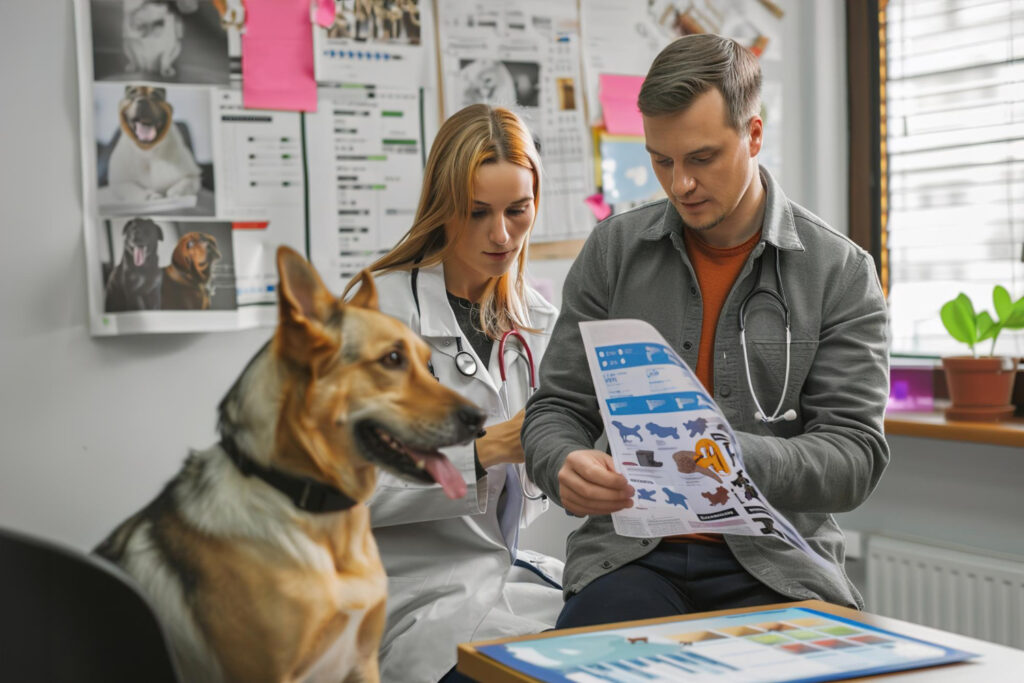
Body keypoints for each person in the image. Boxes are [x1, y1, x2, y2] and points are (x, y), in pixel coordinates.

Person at [522, 33, 890, 628]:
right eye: (660, 161)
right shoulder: (614, 251)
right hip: (633, 559)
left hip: (777, 566)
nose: (680, 185)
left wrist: (728, 458)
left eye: (701, 158)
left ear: (754, 135)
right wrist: (561, 462)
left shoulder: (840, 272)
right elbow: (556, 407)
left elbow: (855, 458)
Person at [344, 103, 563, 683]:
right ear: (443, 208)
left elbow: (536, 490)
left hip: (507, 578)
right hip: (407, 594)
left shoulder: (538, 322)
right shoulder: (377, 315)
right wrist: (484, 450)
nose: (501, 234)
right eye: (477, 213)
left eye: (518, 210)